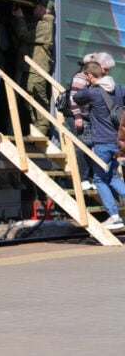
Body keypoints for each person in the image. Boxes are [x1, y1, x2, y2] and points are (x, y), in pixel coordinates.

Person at [72, 61, 125, 230]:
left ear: (89, 76)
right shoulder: (118, 88)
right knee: (113, 177)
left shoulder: (93, 92)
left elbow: (76, 97)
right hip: (117, 141)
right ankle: (114, 215)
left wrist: (86, 84)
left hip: (102, 142)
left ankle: (114, 217)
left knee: (99, 179)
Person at [70, 52, 116, 190]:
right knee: (82, 147)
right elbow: (73, 98)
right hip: (81, 117)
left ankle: (92, 178)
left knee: (92, 147)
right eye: (105, 69)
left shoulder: (101, 80)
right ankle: (83, 178)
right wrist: (77, 117)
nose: (106, 72)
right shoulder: (81, 77)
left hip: (90, 117)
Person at [12, 0, 55, 135]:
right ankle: (37, 128)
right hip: (30, 68)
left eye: (36, 7)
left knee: (37, 96)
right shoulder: (38, 24)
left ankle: (41, 128)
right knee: (29, 97)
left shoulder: (46, 25)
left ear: (45, 9)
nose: (34, 10)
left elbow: (24, 35)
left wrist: (20, 18)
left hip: (37, 68)